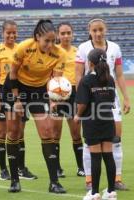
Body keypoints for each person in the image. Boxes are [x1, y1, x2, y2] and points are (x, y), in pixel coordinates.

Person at [2, 19, 67, 193]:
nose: (50, 44)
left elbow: (56, 79)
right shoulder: (24, 47)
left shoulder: (60, 53)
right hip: (16, 86)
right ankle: (14, 180)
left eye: (53, 41)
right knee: (14, 132)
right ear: (37, 37)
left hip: (39, 89)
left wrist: (54, 99)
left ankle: (54, 182)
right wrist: (17, 100)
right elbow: (13, 73)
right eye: (47, 40)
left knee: (47, 132)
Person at [75, 18, 130, 191]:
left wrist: (126, 97)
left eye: (101, 30)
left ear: (105, 29)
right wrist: (81, 99)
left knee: (116, 140)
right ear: (89, 31)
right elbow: (78, 75)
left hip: (110, 101)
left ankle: (116, 179)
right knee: (88, 142)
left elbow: (119, 75)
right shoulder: (83, 49)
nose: (98, 33)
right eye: (94, 30)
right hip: (90, 101)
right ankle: (90, 180)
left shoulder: (115, 48)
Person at [0, 20, 37, 181]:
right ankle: (4, 170)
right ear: (3, 33)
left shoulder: (21, 48)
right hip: (3, 93)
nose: (11, 35)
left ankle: (21, 168)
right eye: (8, 32)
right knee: (3, 132)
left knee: (19, 132)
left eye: (14, 32)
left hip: (19, 93)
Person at [76, 48, 117, 200]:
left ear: (90, 63)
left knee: (95, 157)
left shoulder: (86, 80)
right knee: (108, 155)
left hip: (92, 121)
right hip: (107, 120)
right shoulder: (110, 79)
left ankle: (94, 193)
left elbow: (82, 103)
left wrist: (77, 116)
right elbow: (112, 100)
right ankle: (111, 192)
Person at [52, 22, 85, 178]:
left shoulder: (78, 51)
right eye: (63, 33)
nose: (66, 36)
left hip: (74, 94)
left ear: (72, 34)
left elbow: (82, 74)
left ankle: (81, 167)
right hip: (57, 94)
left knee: (76, 133)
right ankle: (57, 168)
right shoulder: (53, 51)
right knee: (55, 133)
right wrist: (52, 99)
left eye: (68, 33)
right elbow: (49, 75)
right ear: (58, 35)